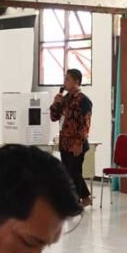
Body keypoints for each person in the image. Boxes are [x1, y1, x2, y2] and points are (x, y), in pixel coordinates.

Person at [50, 68, 94, 207]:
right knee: (68, 173)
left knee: (74, 172)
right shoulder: (65, 99)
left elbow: (85, 123)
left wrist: (79, 142)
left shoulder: (83, 100)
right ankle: (75, 200)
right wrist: (55, 103)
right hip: (65, 142)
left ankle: (85, 198)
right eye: (64, 79)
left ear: (76, 81)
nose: (64, 82)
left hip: (76, 143)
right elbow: (54, 117)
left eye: (67, 79)